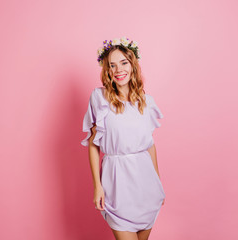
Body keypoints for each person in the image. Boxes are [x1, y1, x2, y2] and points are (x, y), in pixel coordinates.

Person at [81, 37, 165, 240]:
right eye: (112, 65)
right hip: (117, 184)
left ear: (133, 65)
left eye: (124, 63)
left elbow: (150, 145)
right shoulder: (99, 99)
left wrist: (158, 182)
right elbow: (93, 145)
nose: (118, 70)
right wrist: (97, 186)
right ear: (107, 70)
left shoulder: (147, 102)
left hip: (146, 184)